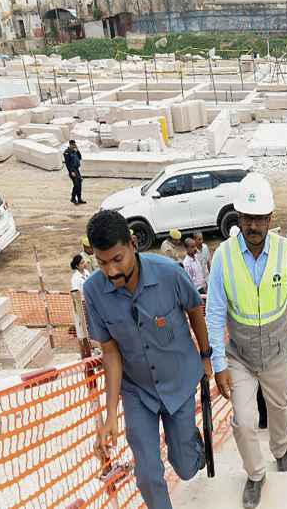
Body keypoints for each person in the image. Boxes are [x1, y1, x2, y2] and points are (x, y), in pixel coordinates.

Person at [82, 210, 212, 509]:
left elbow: (194, 311)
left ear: (133, 243)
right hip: (137, 390)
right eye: (102, 263)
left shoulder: (169, 272)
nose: (111, 271)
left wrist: (206, 358)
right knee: (148, 473)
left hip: (178, 380)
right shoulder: (93, 292)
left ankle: (190, 444)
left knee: (186, 467)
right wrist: (111, 413)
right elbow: (111, 353)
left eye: (117, 260)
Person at [205, 173, 287, 509]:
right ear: (239, 218)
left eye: (259, 219)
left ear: (269, 220)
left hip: (277, 351)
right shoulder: (223, 257)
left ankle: (280, 451)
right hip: (241, 356)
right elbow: (215, 314)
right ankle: (255, 474)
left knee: (279, 409)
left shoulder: (285, 252)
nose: (253, 226)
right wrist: (219, 364)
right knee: (244, 420)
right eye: (247, 218)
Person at [63, 139, 85, 205]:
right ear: (70, 144)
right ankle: (73, 198)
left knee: (80, 183)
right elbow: (67, 164)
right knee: (76, 185)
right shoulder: (67, 152)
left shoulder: (74, 151)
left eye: (74, 144)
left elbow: (80, 157)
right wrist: (71, 171)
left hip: (76, 169)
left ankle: (79, 199)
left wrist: (77, 150)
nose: (74, 146)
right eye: (73, 145)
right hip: (72, 170)